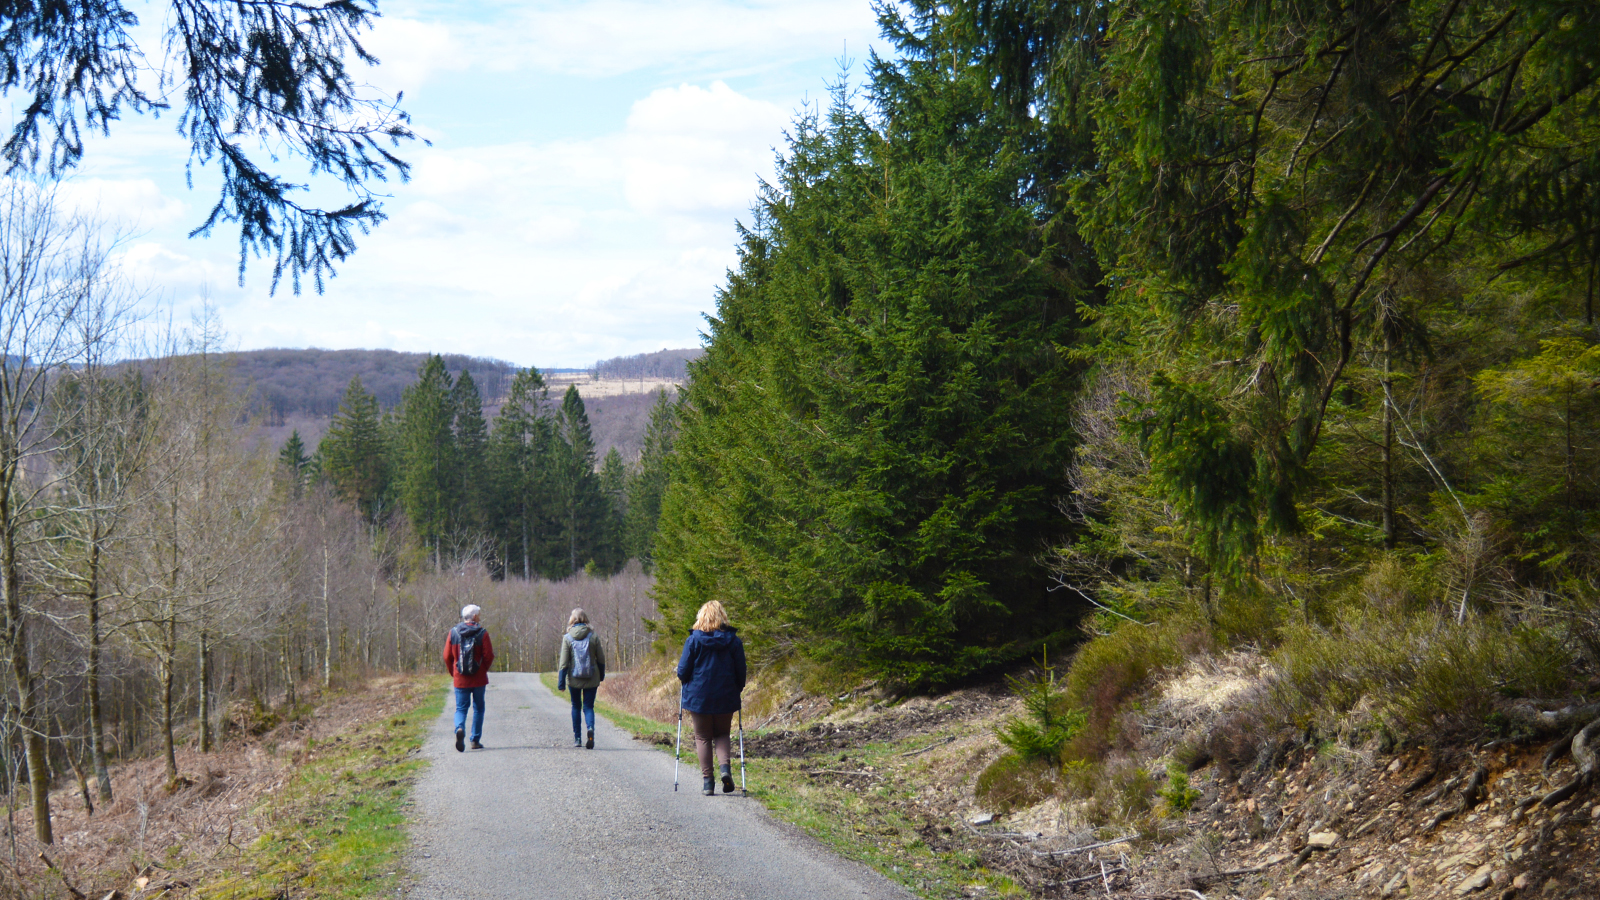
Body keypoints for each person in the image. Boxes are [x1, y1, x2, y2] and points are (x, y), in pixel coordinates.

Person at [677, 600, 747, 796]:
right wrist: (738, 689)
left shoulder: (693, 641)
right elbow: (741, 671)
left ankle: (708, 783)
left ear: (701, 617)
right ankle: (725, 769)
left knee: (703, 737)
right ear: (722, 617)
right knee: (722, 734)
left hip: (699, 697)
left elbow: (683, 671)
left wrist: (683, 677)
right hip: (726, 696)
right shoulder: (733, 641)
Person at [443, 604, 495, 752]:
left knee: (461, 708)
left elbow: (447, 656)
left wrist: (453, 671)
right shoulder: (482, 633)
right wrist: (483, 669)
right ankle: (475, 740)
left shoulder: (453, 633)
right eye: (478, 614)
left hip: (460, 678)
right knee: (479, 708)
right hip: (478, 679)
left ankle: (459, 728)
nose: (479, 617)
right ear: (474, 617)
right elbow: (489, 655)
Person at [557, 608, 606, 749]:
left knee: (576, 706)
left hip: (574, 678)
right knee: (589, 707)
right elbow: (601, 658)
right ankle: (590, 729)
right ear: (585, 619)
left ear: (572, 620)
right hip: (592, 677)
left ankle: (577, 738)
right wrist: (601, 675)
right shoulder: (593, 636)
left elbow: (564, 662)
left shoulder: (567, 638)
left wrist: (561, 683)